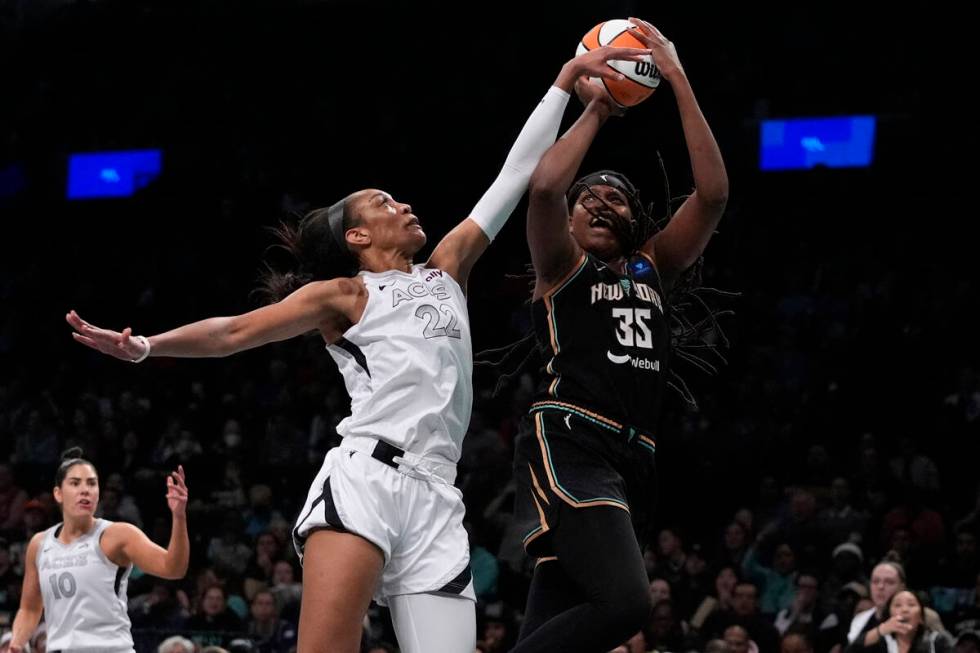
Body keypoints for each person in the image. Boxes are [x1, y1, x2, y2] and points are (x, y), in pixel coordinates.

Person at [64, 44, 652, 653]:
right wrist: (145, 348)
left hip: (439, 498)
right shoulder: (344, 294)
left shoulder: (447, 269)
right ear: (357, 234)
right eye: (384, 203)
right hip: (367, 477)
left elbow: (515, 175)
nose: (402, 205)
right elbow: (235, 331)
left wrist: (568, 89)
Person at [509, 18, 728, 653]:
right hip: (573, 437)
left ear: (637, 220)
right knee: (628, 604)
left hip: (634, 457)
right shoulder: (560, 266)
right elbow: (547, 186)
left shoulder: (653, 265)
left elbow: (712, 194)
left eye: (617, 197)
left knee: (558, 613)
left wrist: (678, 77)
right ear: (570, 222)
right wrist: (598, 111)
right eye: (590, 197)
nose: (602, 201)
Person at [8, 449, 188, 653]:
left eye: (91, 483)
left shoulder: (118, 535)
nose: (85, 490)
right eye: (75, 483)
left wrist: (179, 517)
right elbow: (30, 609)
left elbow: (174, 569)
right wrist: (15, 644)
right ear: (58, 493)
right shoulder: (39, 544)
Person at [845, 590, 953, 653]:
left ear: (920, 617)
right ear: (889, 615)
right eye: (897, 605)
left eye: (911, 604)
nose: (904, 610)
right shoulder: (881, 643)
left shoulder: (937, 641)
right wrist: (882, 630)